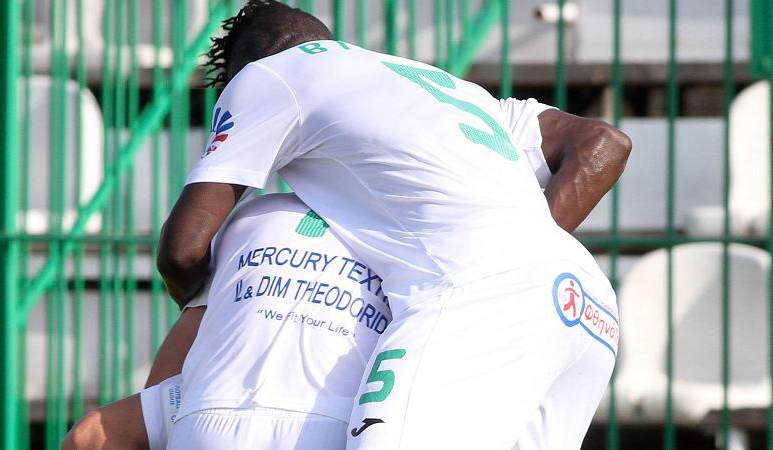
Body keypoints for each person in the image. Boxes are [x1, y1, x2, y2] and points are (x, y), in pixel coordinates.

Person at [155, 1, 631, 449]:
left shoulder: (269, 76)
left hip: (476, 293)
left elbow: (183, 250)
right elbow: (605, 142)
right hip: (585, 302)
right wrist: (531, 257)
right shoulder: (450, 90)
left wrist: (204, 307)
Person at [63, 193, 392, 450]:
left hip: (210, 414)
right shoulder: (405, 231)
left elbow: (90, 436)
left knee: (94, 435)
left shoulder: (250, 215)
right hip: (340, 423)